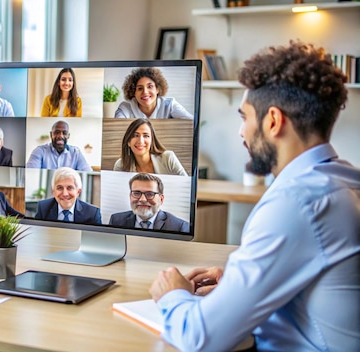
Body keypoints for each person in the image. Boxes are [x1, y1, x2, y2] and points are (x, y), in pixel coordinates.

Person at [149, 41, 360, 351]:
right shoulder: (343, 179)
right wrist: (240, 282)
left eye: (244, 117)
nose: (241, 132)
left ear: (273, 121)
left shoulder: (297, 203)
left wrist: (173, 294)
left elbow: (200, 338)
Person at [109, 173, 189, 232]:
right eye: (136, 193)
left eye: (150, 194)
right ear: (130, 196)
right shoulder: (116, 220)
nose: (142, 199)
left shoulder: (179, 227)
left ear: (161, 199)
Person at [113, 118, 187, 175]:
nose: (141, 141)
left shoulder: (168, 158)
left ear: (152, 141)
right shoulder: (120, 165)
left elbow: (187, 187)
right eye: (135, 135)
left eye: (146, 136)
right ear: (128, 142)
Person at [114, 67, 192, 119]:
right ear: (134, 92)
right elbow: (117, 129)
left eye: (150, 86)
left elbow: (191, 123)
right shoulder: (126, 107)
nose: (145, 92)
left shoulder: (169, 105)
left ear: (157, 89)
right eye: (140, 88)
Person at [34, 167, 101, 225]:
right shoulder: (43, 208)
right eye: (60, 188)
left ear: (78, 192)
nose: (65, 194)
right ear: (53, 191)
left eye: (70, 188)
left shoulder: (92, 214)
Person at [26, 120, 92, 171]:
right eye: (57, 132)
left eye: (64, 133)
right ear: (51, 134)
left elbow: (87, 172)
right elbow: (30, 174)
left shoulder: (76, 152)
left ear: (68, 136)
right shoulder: (39, 151)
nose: (60, 136)